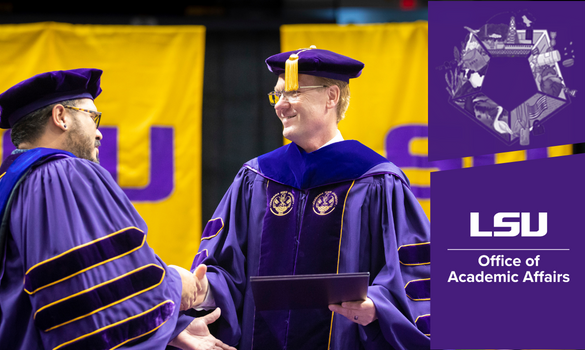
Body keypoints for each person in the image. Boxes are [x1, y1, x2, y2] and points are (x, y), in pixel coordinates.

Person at [189, 47, 431, 349]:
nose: (281, 105)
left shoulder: (377, 180)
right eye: (277, 95)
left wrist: (379, 305)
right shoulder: (257, 178)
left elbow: (415, 272)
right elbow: (226, 270)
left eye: (293, 93)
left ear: (332, 97)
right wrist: (202, 288)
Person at [0, 68, 234, 350]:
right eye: (92, 116)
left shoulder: (12, 181)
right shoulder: (61, 174)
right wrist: (173, 285)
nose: (98, 133)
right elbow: (90, 286)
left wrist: (174, 326)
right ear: (61, 117)